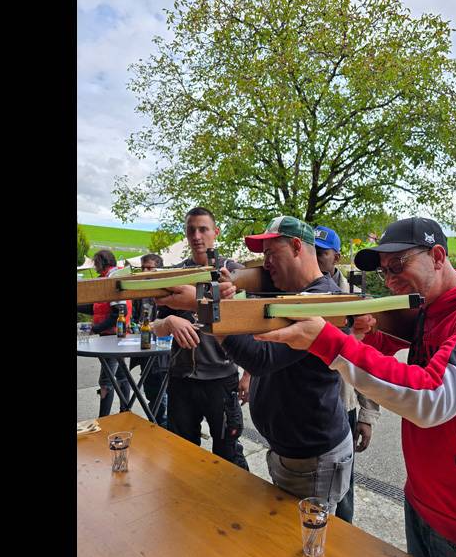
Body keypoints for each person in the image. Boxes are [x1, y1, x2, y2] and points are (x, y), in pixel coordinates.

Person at [255, 217, 456, 557]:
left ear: (437, 256)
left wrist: (330, 341)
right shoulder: (434, 308)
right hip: (422, 505)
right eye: (385, 271)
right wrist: (365, 334)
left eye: (399, 265)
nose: (391, 279)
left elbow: (432, 397)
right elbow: (399, 346)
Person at [216, 216, 354, 513]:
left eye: (270, 254)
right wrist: (232, 281)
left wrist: (211, 312)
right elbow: (248, 276)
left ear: (295, 247)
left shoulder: (322, 300)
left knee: (307, 546)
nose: (265, 264)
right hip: (292, 451)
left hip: (313, 456)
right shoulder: (290, 294)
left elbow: (261, 357)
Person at [150, 208, 249, 471]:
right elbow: (154, 326)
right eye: (191, 229)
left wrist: (249, 374)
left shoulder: (235, 272)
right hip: (182, 378)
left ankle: (237, 511)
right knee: (183, 454)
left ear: (216, 232)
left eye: (203, 229)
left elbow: (253, 323)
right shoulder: (173, 274)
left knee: (229, 455)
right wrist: (169, 321)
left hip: (222, 378)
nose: (196, 235)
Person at [313, 224, 381, 523]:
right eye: (311, 253)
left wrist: (367, 416)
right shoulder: (299, 297)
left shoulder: (354, 302)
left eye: (322, 253)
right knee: (312, 489)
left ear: (337, 257)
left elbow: (366, 361)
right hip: (310, 407)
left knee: (345, 487)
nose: (316, 260)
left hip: (344, 405)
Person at [77, 249, 133, 417]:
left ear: (101, 262)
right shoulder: (111, 277)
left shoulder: (112, 280)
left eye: (96, 263)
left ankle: (104, 419)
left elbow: (118, 313)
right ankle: (125, 412)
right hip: (118, 335)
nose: (94, 267)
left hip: (113, 336)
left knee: (106, 380)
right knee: (122, 375)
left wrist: (96, 329)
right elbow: (99, 308)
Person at [129, 253, 171, 429]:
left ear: (158, 270)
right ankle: (156, 425)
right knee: (151, 392)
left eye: (149, 267)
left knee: (164, 394)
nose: (145, 271)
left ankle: (163, 427)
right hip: (144, 350)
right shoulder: (140, 293)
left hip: (162, 353)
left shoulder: (168, 291)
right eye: (143, 267)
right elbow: (136, 319)